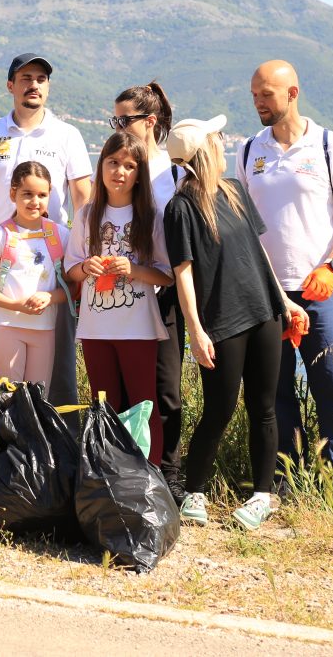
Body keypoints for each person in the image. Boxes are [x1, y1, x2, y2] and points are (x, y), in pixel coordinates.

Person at [236, 60, 333, 524]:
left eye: (267, 94)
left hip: (320, 289)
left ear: (293, 93)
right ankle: (283, 482)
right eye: (254, 93)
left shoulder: (332, 145)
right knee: (273, 392)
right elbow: (244, 226)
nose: (258, 101)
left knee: (332, 384)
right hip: (267, 292)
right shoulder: (248, 150)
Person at [163, 115, 303, 531]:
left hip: (263, 312)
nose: (222, 142)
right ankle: (195, 491)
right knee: (218, 410)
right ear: (201, 151)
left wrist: (284, 302)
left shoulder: (235, 191)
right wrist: (196, 331)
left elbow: (259, 255)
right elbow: (182, 273)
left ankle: (262, 496)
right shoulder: (180, 207)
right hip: (221, 321)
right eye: (215, 138)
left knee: (264, 408)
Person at [0, 54, 92, 402]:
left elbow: (83, 198)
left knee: (54, 365)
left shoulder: (67, 135)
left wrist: (83, 253)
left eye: (40, 78)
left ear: (47, 87)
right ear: (11, 85)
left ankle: (52, 439)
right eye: (25, 77)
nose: (33, 84)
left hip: (50, 258)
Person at [65, 132, 172, 463]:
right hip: (96, 327)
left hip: (138, 327)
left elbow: (167, 273)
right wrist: (86, 266)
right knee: (103, 406)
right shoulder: (86, 215)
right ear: (101, 166)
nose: (120, 172)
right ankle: (105, 475)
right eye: (113, 163)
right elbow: (70, 269)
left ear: (139, 174)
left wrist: (136, 270)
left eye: (129, 165)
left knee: (144, 405)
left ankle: (149, 477)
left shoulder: (151, 216)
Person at [112, 81, 186, 498]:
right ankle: (124, 469)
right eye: (115, 120)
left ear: (150, 122)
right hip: (121, 294)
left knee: (166, 389)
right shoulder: (120, 164)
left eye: (125, 119)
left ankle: (169, 472)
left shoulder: (173, 172)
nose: (118, 126)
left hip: (166, 292)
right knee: (124, 389)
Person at [0, 161, 73, 385]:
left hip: (45, 327)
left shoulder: (61, 235)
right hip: (6, 326)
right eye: (27, 194)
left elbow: (71, 287)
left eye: (42, 194)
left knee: (38, 399)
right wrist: (15, 306)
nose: (35, 202)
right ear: (12, 193)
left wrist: (49, 297)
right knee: (10, 397)